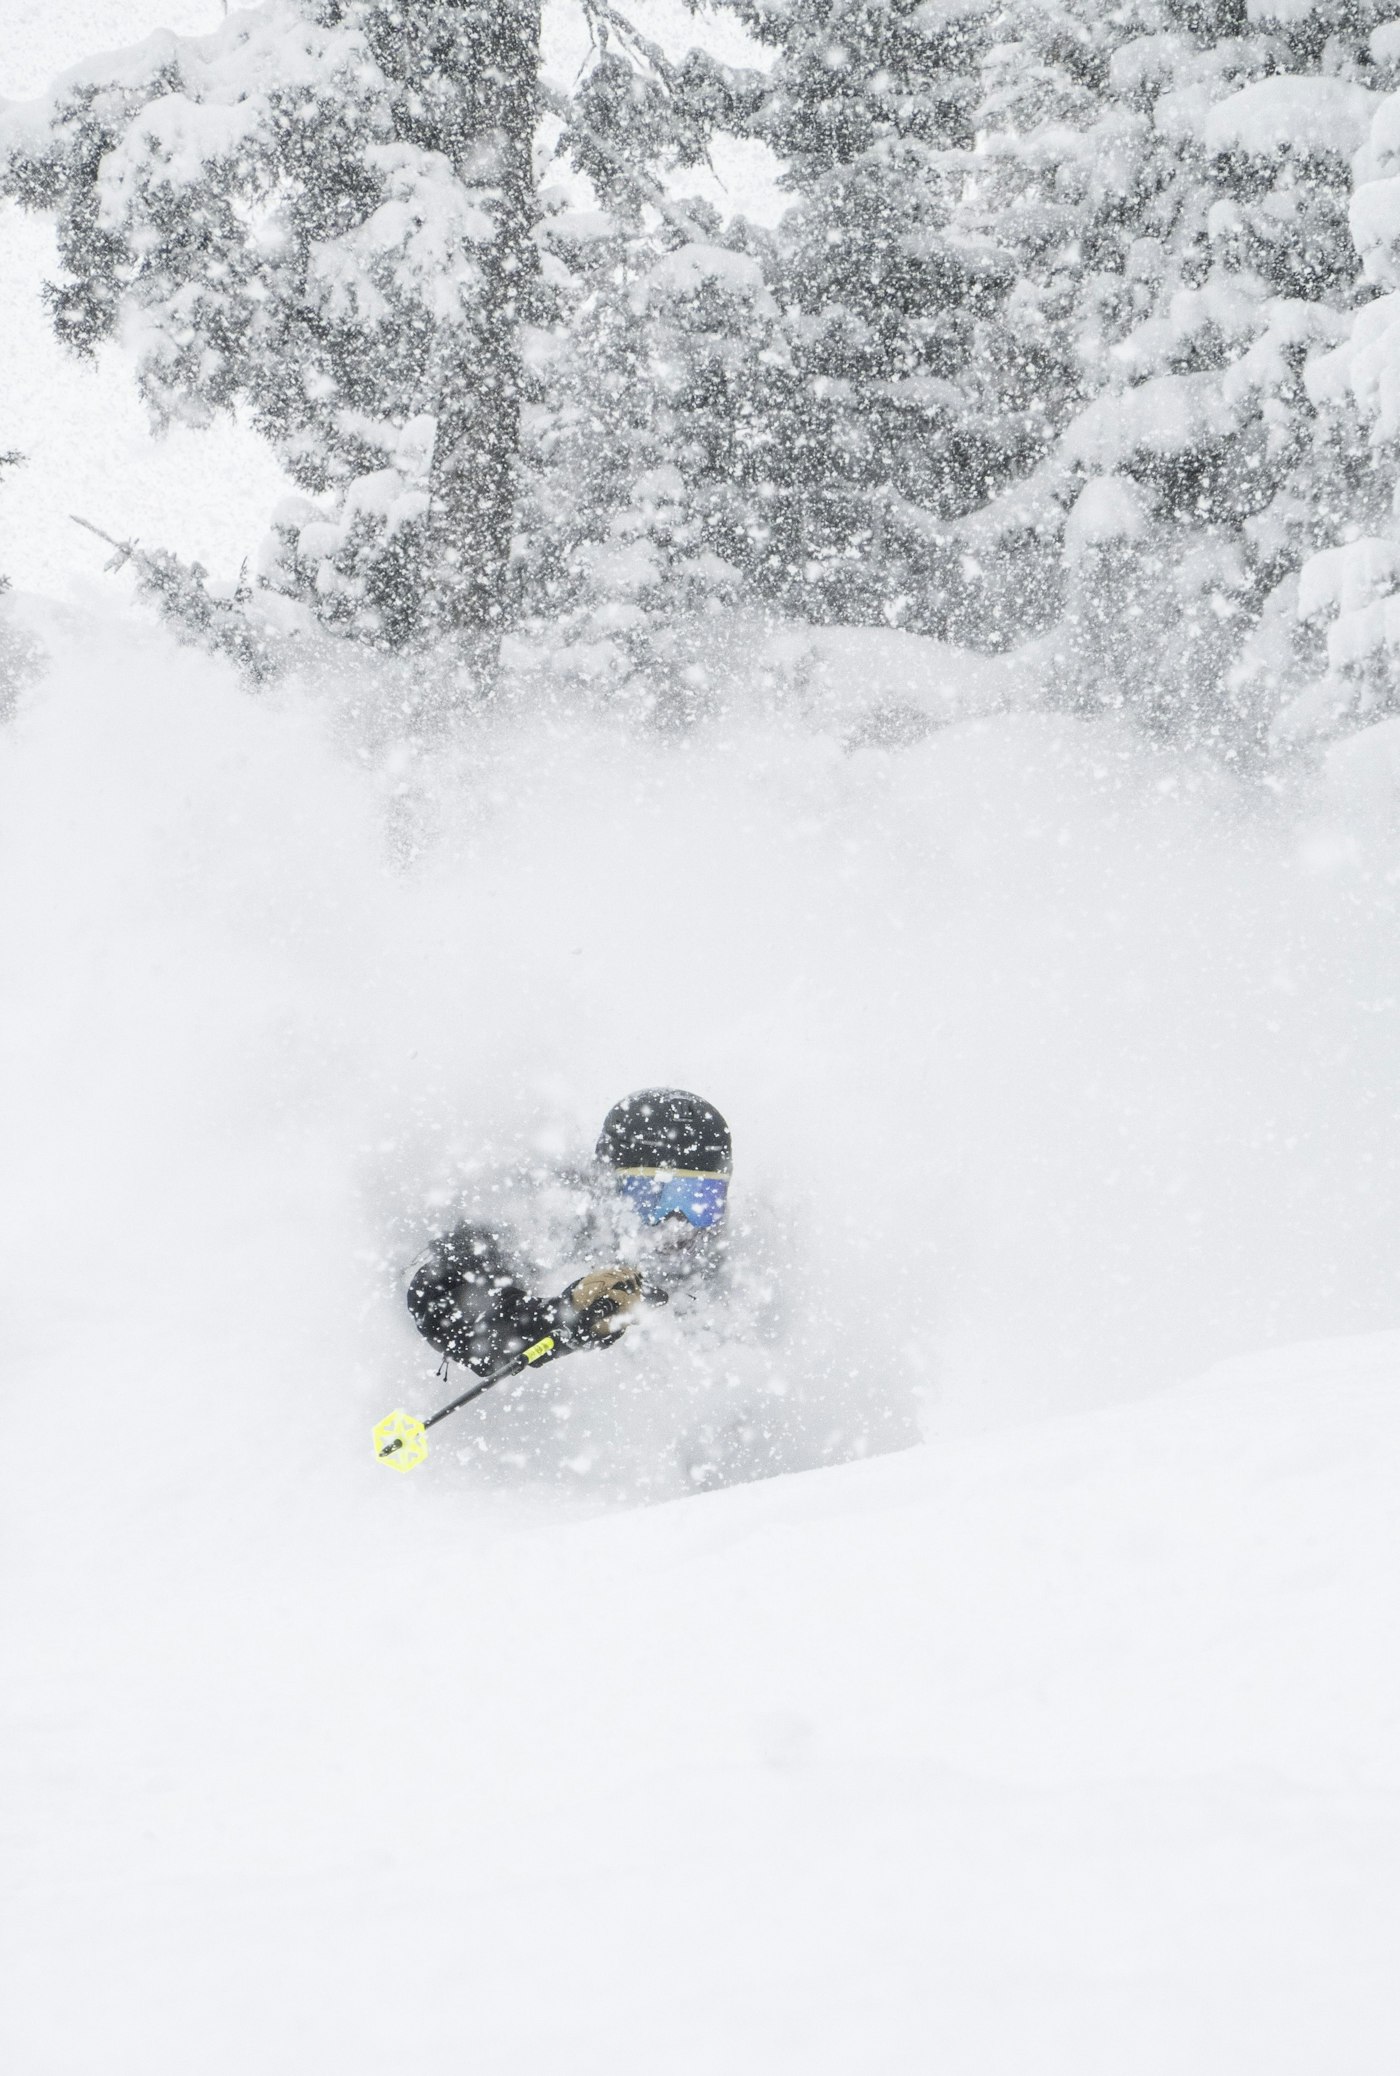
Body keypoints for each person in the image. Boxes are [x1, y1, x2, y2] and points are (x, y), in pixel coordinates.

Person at [406, 1088, 734, 1388]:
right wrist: (557, 1316)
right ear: (606, 1183)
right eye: (650, 1196)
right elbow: (438, 1294)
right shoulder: (547, 1216)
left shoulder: (731, 1258)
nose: (675, 1223)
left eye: (700, 1200)